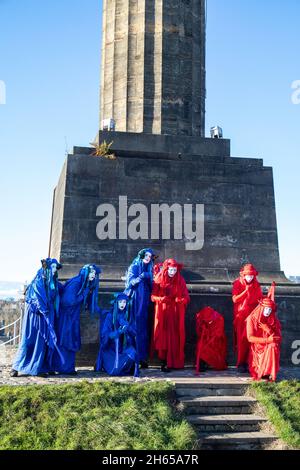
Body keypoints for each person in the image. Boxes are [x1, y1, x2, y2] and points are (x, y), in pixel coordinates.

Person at [10, 258, 63, 377]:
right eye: (53, 267)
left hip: (46, 315)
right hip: (36, 316)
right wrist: (45, 311)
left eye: (56, 268)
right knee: (29, 340)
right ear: (47, 268)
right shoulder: (39, 281)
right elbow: (38, 298)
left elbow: (56, 294)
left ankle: (39, 367)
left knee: (42, 342)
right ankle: (16, 367)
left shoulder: (52, 282)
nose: (55, 270)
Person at [52, 264, 101, 375]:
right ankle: (63, 367)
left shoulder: (83, 283)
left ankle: (67, 367)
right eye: (91, 272)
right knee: (65, 340)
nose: (93, 275)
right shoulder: (76, 283)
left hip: (72, 316)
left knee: (70, 340)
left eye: (94, 273)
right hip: (66, 317)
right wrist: (84, 295)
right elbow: (68, 301)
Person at [151, 258, 190, 372]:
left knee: (175, 336)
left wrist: (181, 300)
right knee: (163, 335)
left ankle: (173, 362)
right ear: (167, 269)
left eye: (174, 270)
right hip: (163, 311)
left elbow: (186, 297)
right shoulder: (159, 278)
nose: (172, 272)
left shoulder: (180, 280)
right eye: (171, 270)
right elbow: (152, 296)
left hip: (175, 312)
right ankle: (163, 361)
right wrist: (161, 299)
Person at [124, 248, 156, 369]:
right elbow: (130, 281)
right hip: (135, 300)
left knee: (142, 328)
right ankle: (132, 357)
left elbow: (152, 284)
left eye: (150, 256)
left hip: (144, 302)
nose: (148, 258)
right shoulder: (134, 266)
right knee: (133, 326)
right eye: (146, 255)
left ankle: (142, 356)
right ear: (141, 255)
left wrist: (148, 276)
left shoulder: (149, 268)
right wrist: (138, 278)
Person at [95, 293, 139, 377]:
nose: (123, 304)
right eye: (120, 302)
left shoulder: (129, 316)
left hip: (124, 348)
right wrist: (118, 332)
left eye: (125, 302)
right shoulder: (110, 316)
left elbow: (134, 332)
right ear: (116, 303)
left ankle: (125, 368)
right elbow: (105, 334)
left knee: (133, 353)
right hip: (111, 349)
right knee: (115, 371)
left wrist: (128, 327)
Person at [246, 284, 281, 382]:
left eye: (270, 309)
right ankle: (262, 372)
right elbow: (250, 338)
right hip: (257, 348)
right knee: (271, 344)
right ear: (261, 308)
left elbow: (278, 338)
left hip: (269, 345)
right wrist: (266, 340)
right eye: (266, 309)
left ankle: (270, 374)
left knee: (273, 346)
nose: (268, 312)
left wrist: (268, 330)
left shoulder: (274, 320)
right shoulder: (251, 318)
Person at [232, 264, 262, 372]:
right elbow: (235, 299)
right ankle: (240, 363)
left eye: (252, 276)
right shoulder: (237, 283)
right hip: (241, 316)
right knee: (241, 340)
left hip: (252, 317)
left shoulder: (257, 285)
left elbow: (259, 300)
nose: (250, 278)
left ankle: (250, 363)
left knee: (252, 340)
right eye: (248, 276)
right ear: (243, 275)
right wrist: (246, 291)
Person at [195, 306, 227, 374]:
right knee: (202, 346)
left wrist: (212, 336)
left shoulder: (219, 318)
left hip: (215, 339)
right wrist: (204, 328)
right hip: (205, 339)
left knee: (213, 346)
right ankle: (202, 363)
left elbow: (219, 333)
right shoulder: (202, 317)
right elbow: (199, 331)